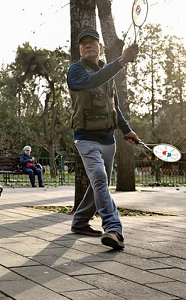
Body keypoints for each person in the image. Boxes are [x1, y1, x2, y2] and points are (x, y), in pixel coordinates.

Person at [68, 28, 140, 250]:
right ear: (80, 50)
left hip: (108, 140)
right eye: (84, 44)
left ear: (101, 47)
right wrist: (121, 61)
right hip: (86, 138)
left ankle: (80, 221)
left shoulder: (108, 77)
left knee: (98, 183)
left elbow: (114, 107)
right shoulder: (76, 70)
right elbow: (91, 81)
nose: (88, 45)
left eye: (93, 42)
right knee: (99, 177)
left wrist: (127, 130)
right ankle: (113, 229)